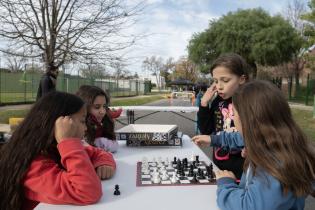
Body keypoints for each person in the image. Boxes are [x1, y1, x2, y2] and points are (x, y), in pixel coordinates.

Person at [0, 91, 116, 210]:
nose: (86, 128)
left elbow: (99, 153)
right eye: (82, 121)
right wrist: (68, 142)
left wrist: (103, 162)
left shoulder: (53, 148)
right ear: (60, 124)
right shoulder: (32, 165)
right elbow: (88, 191)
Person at [214, 80, 315, 210]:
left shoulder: (273, 163)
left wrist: (226, 184)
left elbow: (247, 206)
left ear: (247, 121)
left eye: (235, 113)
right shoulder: (281, 149)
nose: (233, 119)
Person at [194, 53, 249, 180]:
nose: (219, 86)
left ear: (241, 79)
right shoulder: (217, 101)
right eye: (215, 81)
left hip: (242, 169)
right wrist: (203, 104)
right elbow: (206, 131)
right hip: (219, 165)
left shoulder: (249, 102)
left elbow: (250, 138)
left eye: (225, 80)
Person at [76, 85, 119, 153]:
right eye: (97, 107)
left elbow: (113, 145)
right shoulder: (76, 127)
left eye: (104, 106)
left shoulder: (104, 122)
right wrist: (100, 142)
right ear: (84, 107)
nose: (102, 111)